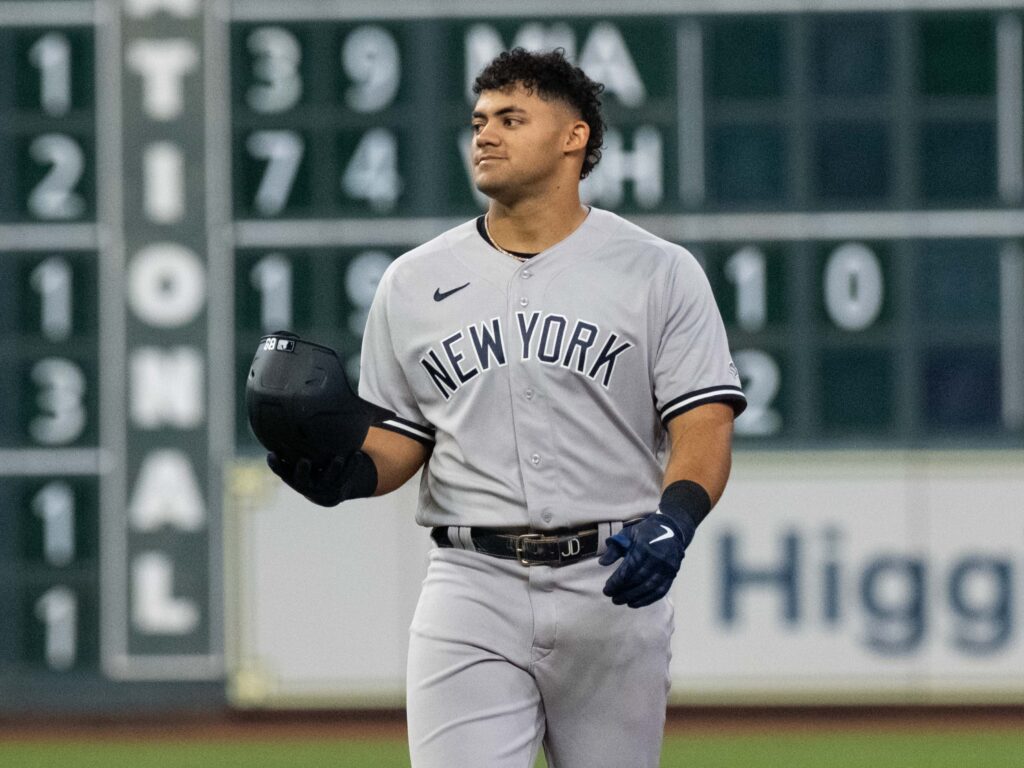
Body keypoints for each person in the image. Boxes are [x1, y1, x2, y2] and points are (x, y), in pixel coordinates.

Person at [269, 48, 746, 768]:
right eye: (479, 119)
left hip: (610, 581)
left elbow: (702, 427)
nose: (484, 135)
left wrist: (673, 522)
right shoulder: (414, 282)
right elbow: (402, 439)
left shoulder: (657, 270)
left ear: (573, 136)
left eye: (511, 118)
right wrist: (345, 474)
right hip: (471, 581)